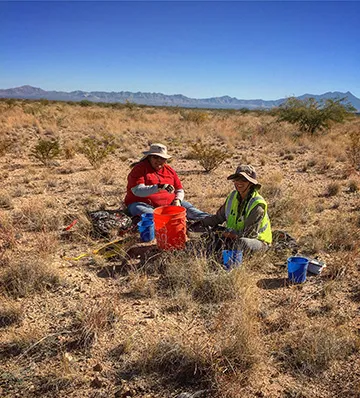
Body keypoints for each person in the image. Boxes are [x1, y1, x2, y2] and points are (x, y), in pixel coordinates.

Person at [191, 164, 272, 253]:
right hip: (235, 236)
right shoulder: (232, 196)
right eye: (237, 179)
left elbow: (249, 234)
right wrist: (200, 223)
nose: (239, 182)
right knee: (212, 238)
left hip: (258, 242)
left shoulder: (257, 204)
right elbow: (218, 218)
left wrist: (227, 234)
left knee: (242, 243)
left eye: (244, 180)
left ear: (251, 183)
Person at [124, 143, 209, 220]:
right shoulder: (139, 169)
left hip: (170, 204)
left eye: (162, 158)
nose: (159, 161)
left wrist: (178, 200)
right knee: (152, 216)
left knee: (195, 212)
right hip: (141, 204)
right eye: (155, 157)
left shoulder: (169, 170)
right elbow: (138, 191)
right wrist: (158, 187)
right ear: (149, 157)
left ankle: (214, 222)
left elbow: (179, 189)